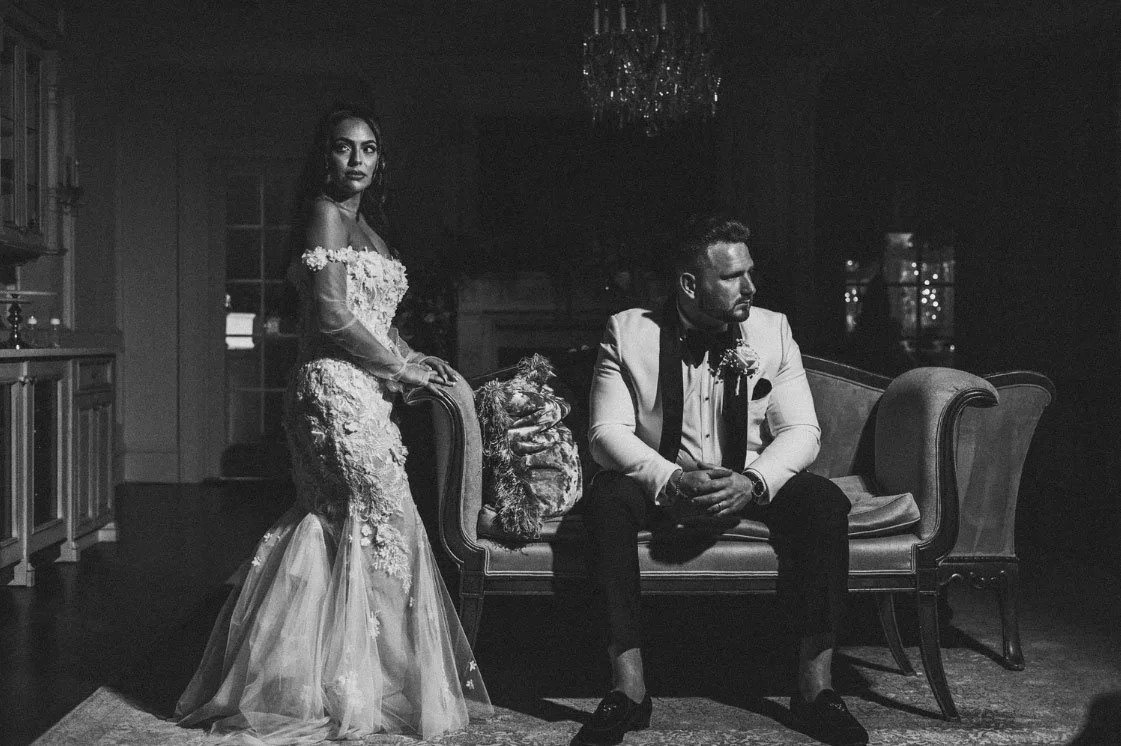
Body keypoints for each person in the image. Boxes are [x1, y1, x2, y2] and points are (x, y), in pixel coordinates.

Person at [176, 103, 491, 743]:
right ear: (326, 156)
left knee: (343, 525)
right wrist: (399, 373)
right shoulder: (324, 212)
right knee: (388, 523)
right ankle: (363, 687)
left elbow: (375, 320)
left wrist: (411, 356)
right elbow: (330, 315)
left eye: (369, 149)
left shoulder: (365, 226)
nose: (357, 160)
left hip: (360, 388)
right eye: (345, 148)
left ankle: (339, 681)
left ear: (380, 160)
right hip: (333, 392)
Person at [574, 214, 868, 746]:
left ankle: (816, 688)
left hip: (748, 480)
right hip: (663, 482)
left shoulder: (772, 329)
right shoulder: (628, 330)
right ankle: (628, 689)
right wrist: (668, 480)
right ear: (690, 284)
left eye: (749, 272)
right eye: (733, 276)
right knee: (607, 500)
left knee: (825, 503)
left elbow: (803, 431)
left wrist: (752, 483)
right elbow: (604, 433)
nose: (750, 286)